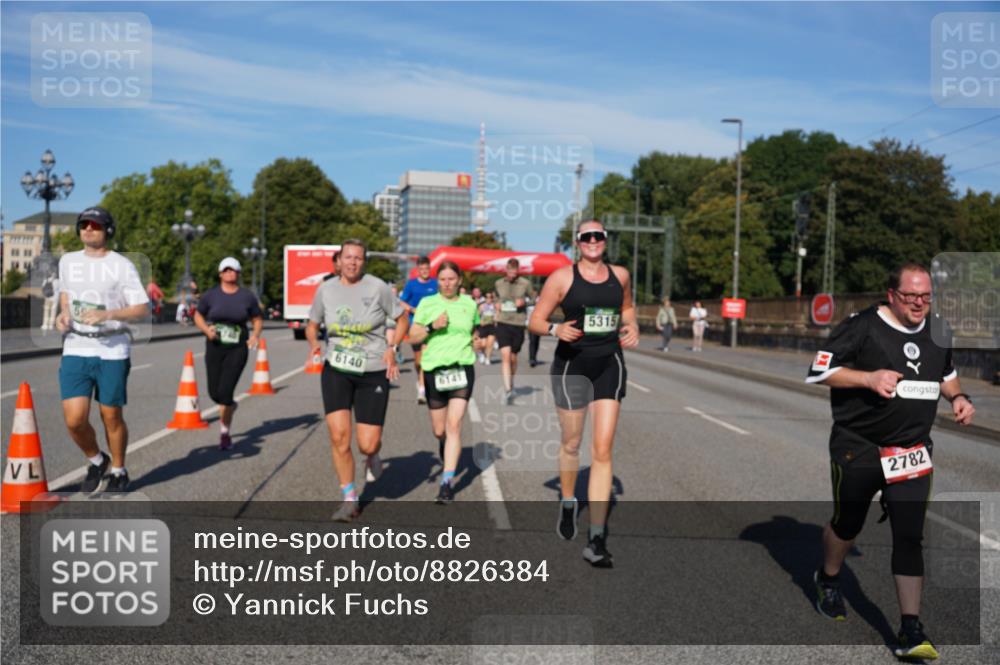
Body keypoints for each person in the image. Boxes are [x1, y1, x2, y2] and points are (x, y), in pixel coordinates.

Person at [805, 262, 975, 660]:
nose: (919, 303)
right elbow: (818, 371)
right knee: (848, 525)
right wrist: (867, 378)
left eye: (926, 296)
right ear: (892, 294)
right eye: (911, 296)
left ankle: (910, 628)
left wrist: (958, 397)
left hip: (911, 450)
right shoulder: (861, 325)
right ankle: (828, 578)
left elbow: (946, 371)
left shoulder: (938, 329)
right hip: (859, 445)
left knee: (910, 535)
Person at [529, 220, 639, 568]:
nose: (593, 241)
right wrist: (554, 328)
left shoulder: (620, 275)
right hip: (571, 366)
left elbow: (628, 308)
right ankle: (567, 500)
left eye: (599, 236)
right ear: (577, 243)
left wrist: (632, 325)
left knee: (603, 449)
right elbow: (534, 320)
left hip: (609, 364)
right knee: (572, 443)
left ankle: (595, 537)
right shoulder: (562, 278)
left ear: (606, 241)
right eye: (586, 237)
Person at [306, 239, 408, 522]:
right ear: (339, 260)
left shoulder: (378, 288)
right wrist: (314, 343)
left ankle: (373, 455)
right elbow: (312, 325)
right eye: (347, 257)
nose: (352, 262)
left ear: (364, 262)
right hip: (336, 368)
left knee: (367, 444)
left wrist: (393, 348)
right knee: (339, 437)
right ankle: (350, 498)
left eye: (358, 258)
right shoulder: (325, 289)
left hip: (373, 369)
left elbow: (402, 320)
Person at [56, 207, 149, 493]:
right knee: (74, 420)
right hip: (76, 346)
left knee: (111, 415)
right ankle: (97, 459)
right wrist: (63, 315)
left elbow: (141, 308)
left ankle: (119, 470)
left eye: (95, 225)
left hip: (112, 349)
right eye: (83, 224)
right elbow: (66, 296)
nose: (88, 229)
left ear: (107, 230)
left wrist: (107, 315)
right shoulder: (68, 261)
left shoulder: (122, 265)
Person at [408, 261, 478, 504]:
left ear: (459, 280)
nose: (447, 283)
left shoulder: (470, 305)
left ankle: (447, 482)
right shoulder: (428, 304)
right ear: (438, 281)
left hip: (461, 370)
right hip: (434, 371)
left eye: (451, 279)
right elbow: (412, 337)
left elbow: (474, 331)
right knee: (439, 430)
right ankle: (443, 445)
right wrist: (432, 326)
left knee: (454, 425)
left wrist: (476, 341)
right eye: (443, 279)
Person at [193, 257, 263, 450]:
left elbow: (257, 319)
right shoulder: (210, 296)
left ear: (238, 274)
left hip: (238, 347)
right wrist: (207, 330)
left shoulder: (247, 297)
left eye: (233, 270)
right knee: (214, 392)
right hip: (215, 345)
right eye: (226, 270)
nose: (230, 273)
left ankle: (225, 433)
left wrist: (255, 335)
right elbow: (198, 314)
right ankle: (229, 405)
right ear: (220, 273)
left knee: (225, 391)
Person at [494, 258, 537, 404]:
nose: (512, 273)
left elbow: (534, 297)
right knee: (505, 356)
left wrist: (524, 301)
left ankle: (511, 381)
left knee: (513, 358)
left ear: (518, 270)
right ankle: (507, 389)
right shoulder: (498, 283)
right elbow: (495, 298)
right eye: (510, 269)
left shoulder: (525, 283)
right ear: (506, 269)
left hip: (518, 323)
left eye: (515, 270)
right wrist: (496, 304)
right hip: (503, 322)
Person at [400, 256, 439, 404]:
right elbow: (401, 301)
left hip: (432, 326)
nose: (424, 271)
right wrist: (411, 309)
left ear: (430, 269)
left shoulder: (435, 284)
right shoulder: (411, 285)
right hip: (415, 325)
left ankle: (422, 390)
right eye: (421, 269)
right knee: (418, 361)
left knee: (426, 357)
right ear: (417, 270)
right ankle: (420, 379)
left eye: (427, 269)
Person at [476, 292, 498, 365]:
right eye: (487, 297)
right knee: (483, 344)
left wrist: (495, 319)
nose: (489, 299)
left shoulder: (494, 306)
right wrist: (480, 320)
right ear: (485, 298)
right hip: (483, 327)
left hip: (491, 326)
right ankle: (481, 353)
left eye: (490, 297)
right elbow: (477, 316)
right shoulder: (482, 306)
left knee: (490, 344)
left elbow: (497, 315)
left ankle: (488, 358)